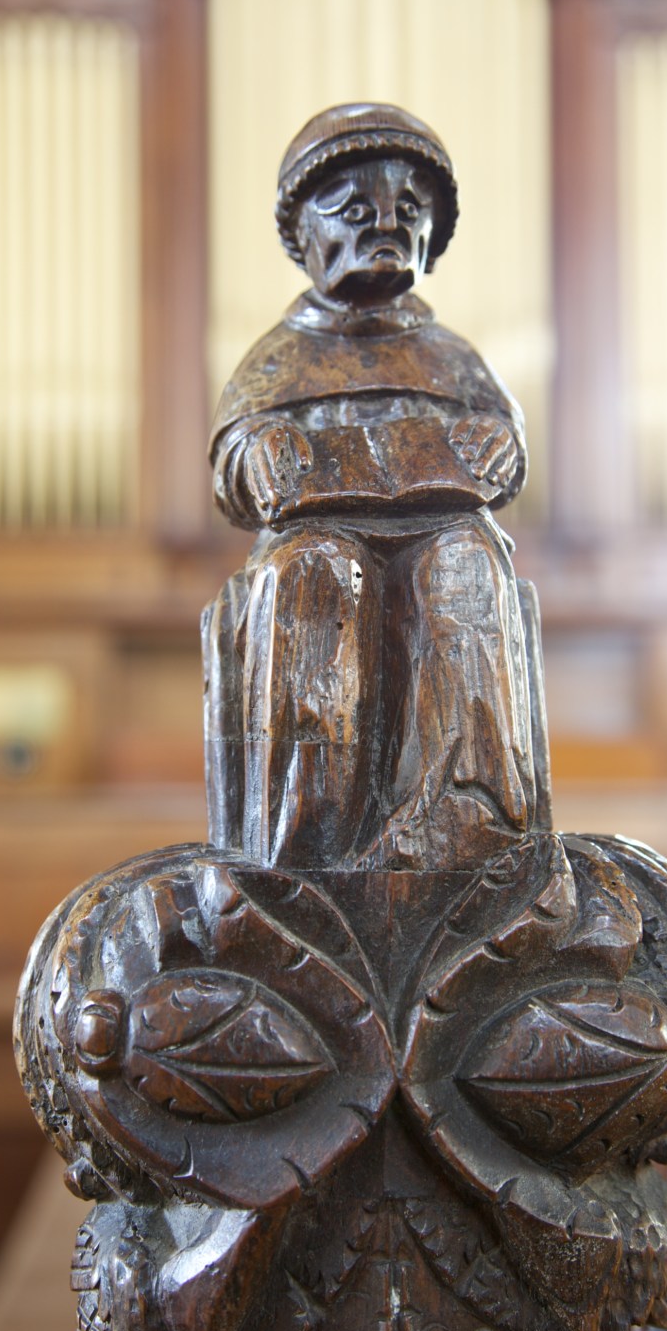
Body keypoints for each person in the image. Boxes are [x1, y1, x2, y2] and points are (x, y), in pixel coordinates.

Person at [205, 104, 542, 871]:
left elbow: (505, 438)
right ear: (304, 236)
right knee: (317, 574)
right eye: (355, 211)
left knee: (463, 570)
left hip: (439, 531)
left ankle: (469, 809)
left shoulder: (452, 356)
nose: (385, 224)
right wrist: (254, 453)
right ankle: (313, 824)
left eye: (407, 211)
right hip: (317, 535)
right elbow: (232, 455)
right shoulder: (281, 356)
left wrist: (498, 443)